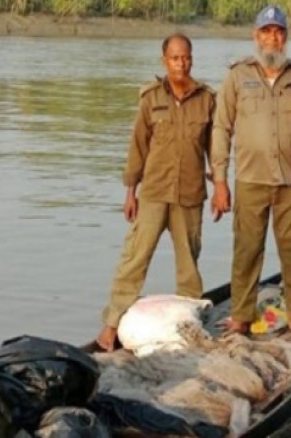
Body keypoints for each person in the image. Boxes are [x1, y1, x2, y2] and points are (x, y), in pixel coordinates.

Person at [211, 5, 291, 342]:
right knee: (247, 250)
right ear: (255, 36)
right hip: (250, 179)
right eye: (266, 31)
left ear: (286, 37)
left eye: (278, 32)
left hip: (290, 181)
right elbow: (221, 128)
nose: (272, 38)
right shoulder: (237, 76)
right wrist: (219, 180)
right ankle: (241, 315)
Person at [95, 33, 216, 351]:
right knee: (135, 257)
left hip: (190, 194)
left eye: (187, 57)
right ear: (165, 61)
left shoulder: (207, 99)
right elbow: (138, 147)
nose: (182, 63)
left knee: (189, 264)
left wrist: (222, 187)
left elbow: (215, 149)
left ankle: (190, 328)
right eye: (176, 58)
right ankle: (111, 326)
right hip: (153, 192)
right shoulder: (151, 99)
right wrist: (130, 193)